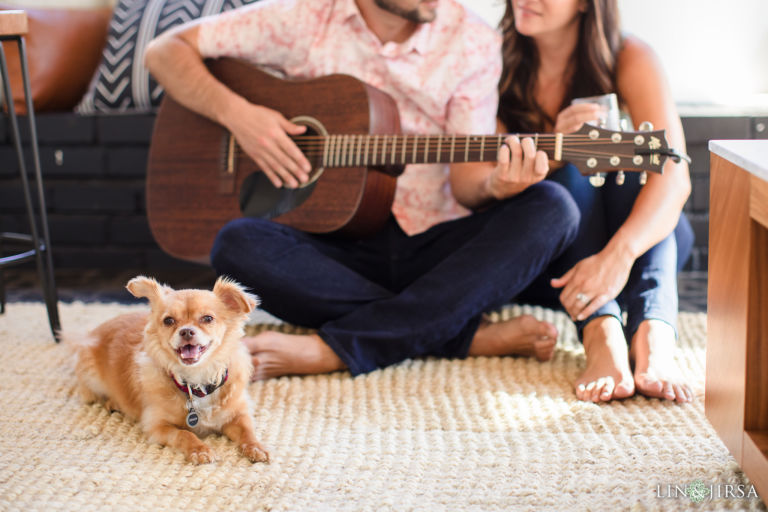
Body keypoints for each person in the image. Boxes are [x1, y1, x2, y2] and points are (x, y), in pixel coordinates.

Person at [144, 0, 581, 379]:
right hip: (334, 252)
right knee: (235, 244)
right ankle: (456, 335)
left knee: (553, 207)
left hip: (436, 252)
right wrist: (240, 116)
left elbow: (467, 186)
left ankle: (333, 349)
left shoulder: (472, 39)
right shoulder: (305, 16)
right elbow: (164, 51)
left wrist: (497, 184)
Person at [497, 0, 694, 403]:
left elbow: (676, 176)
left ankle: (653, 333)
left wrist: (617, 256)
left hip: (632, 253)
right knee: (571, 174)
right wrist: (555, 150)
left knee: (643, 171)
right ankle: (601, 333)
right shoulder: (492, 60)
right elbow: (475, 187)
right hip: (553, 262)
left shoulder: (629, 56)